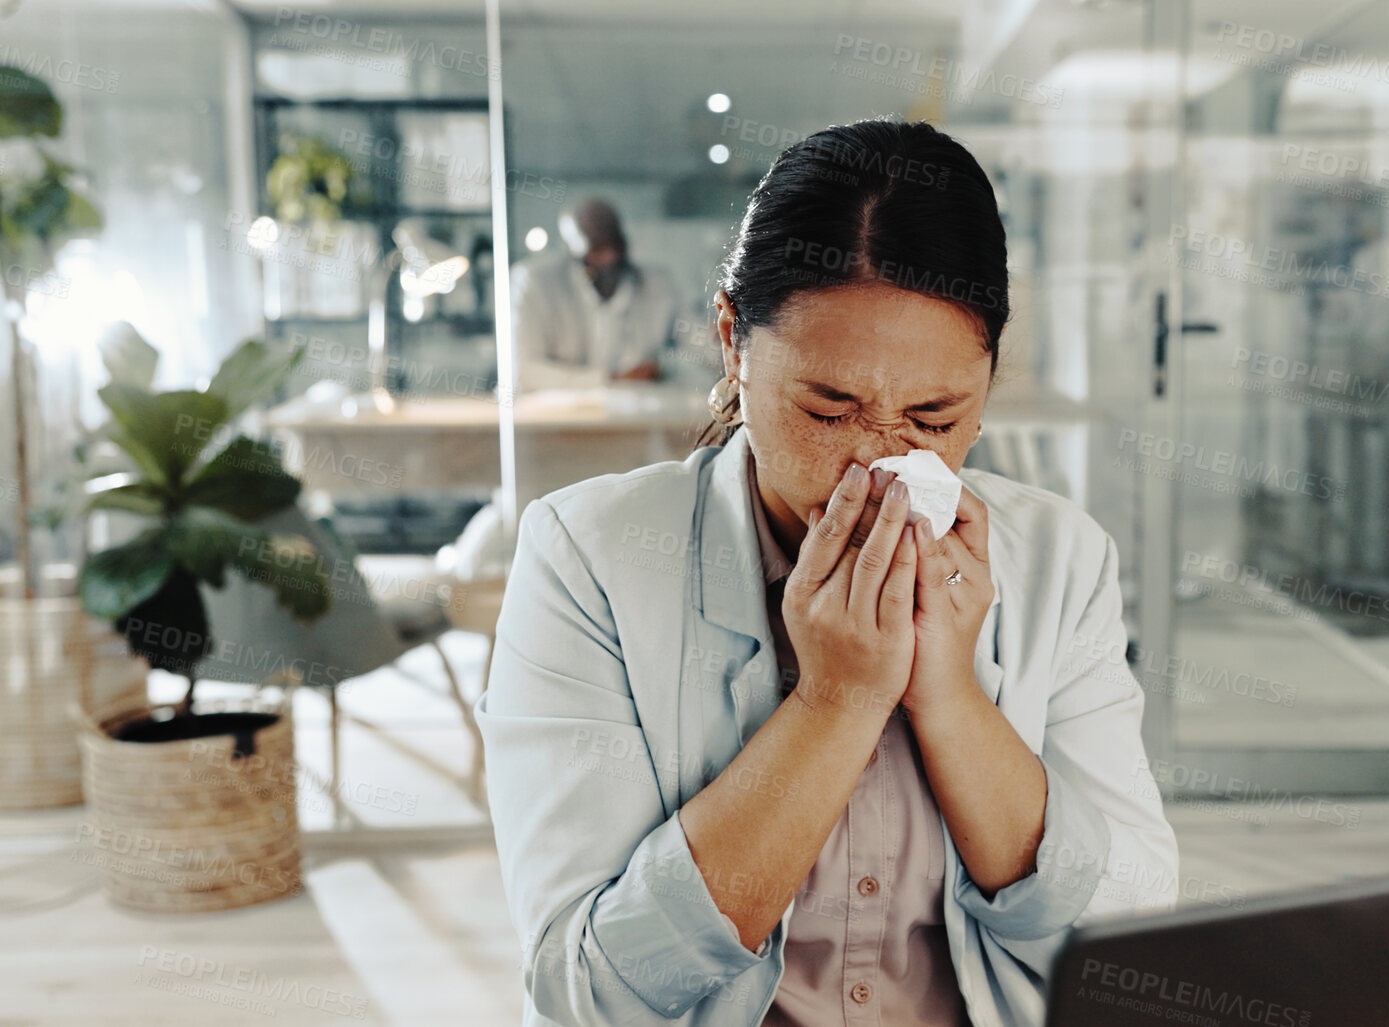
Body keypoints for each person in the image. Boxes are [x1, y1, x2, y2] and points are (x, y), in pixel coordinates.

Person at [475, 119, 1179, 1027]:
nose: (876, 467)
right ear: (733, 342)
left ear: (987, 383)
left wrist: (951, 696)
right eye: (827, 406)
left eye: (933, 416)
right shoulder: (590, 555)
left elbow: (1124, 949)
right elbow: (590, 991)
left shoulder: (1059, 558)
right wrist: (835, 701)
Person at [509, 197, 677, 383]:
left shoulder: (657, 284)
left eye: (615, 244)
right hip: (555, 410)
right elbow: (525, 372)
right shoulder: (534, 283)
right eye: (597, 248)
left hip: (638, 407)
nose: (609, 257)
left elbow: (691, 346)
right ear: (571, 249)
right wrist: (611, 379)